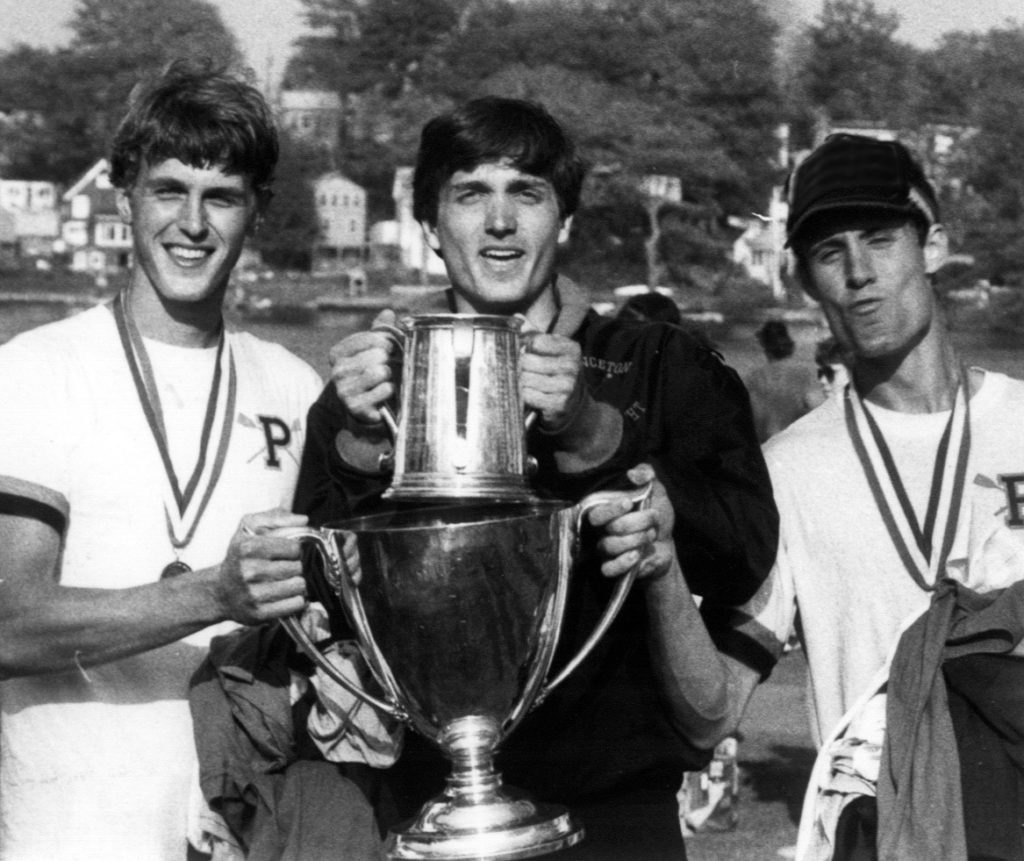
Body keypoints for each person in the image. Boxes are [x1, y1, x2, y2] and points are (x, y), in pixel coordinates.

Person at [293, 96, 779, 859]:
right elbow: (324, 590)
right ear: (429, 223)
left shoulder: (658, 362)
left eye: (526, 192)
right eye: (469, 194)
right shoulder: (372, 382)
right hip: (432, 809)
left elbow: (745, 553)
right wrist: (361, 443)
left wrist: (596, 432)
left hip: (616, 812)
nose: (499, 222)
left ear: (567, 219)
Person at [663, 133, 1024, 858]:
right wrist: (657, 559)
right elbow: (714, 711)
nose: (859, 272)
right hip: (876, 835)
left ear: (936, 245)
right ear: (806, 281)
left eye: (882, 240)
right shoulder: (785, 471)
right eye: (831, 253)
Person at [0, 61, 325, 860]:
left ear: (258, 212)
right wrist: (211, 593)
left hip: (251, 828)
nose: (193, 223)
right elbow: (7, 622)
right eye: (168, 190)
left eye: (221, 197)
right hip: (69, 831)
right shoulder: (35, 370)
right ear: (124, 199)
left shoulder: (295, 385)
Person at [745, 319, 821, 442]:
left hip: (765, 446)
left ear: (763, 345)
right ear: (790, 345)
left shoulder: (755, 378)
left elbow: (750, 417)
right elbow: (817, 409)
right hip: (792, 445)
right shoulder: (804, 374)